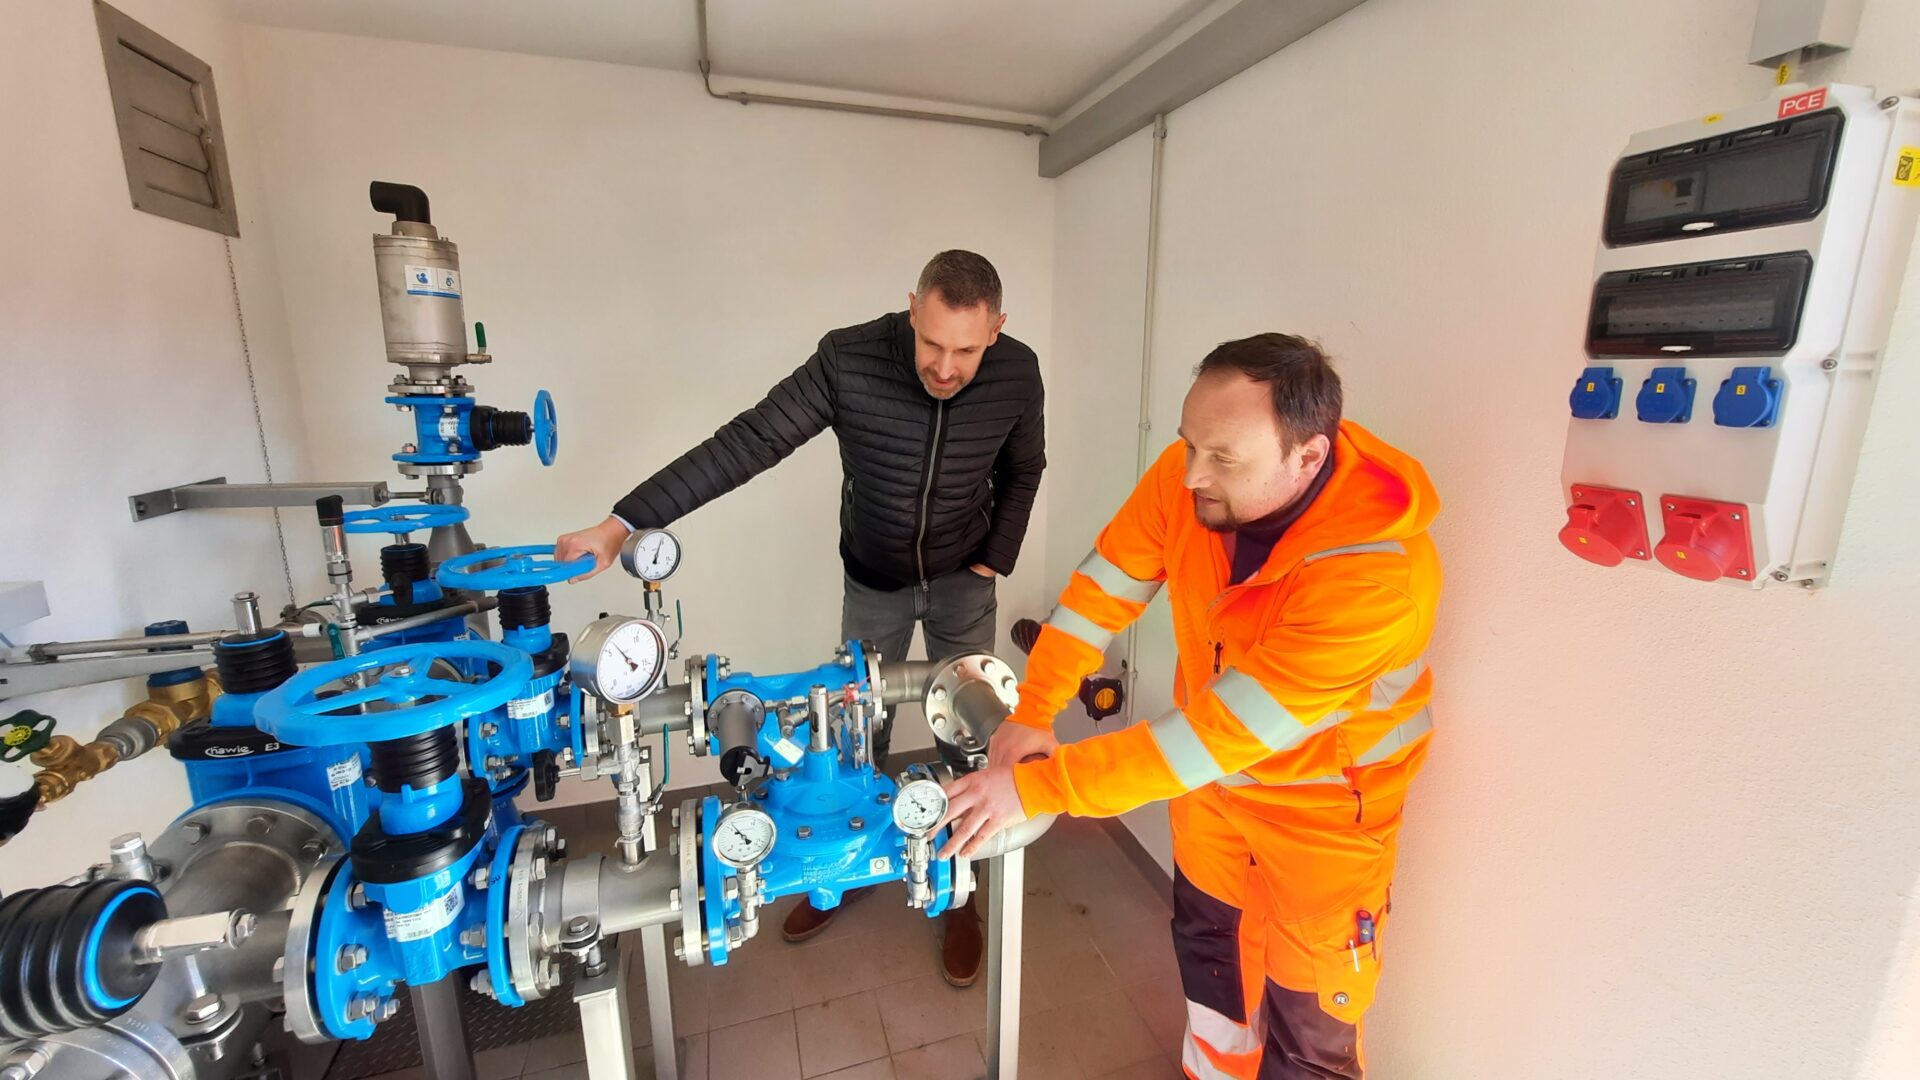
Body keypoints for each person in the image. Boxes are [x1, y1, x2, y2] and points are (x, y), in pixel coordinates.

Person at [940, 333, 1440, 1078]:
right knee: (1213, 967)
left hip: (1322, 820)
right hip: (1209, 798)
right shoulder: (1188, 475)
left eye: (1223, 458)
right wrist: (1033, 709)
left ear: (1306, 457)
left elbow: (1217, 736)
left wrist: (1037, 786)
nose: (1191, 473)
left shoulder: (1375, 578)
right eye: (1188, 442)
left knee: (1311, 1033)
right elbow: (1099, 598)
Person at [555, 250, 1044, 988]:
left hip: (962, 586)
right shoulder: (848, 359)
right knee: (855, 733)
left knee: (966, 738)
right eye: (933, 343)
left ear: (997, 331)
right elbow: (747, 442)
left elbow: (1025, 466)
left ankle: (957, 898)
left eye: (967, 351)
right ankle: (844, 871)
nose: (945, 367)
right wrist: (623, 523)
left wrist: (993, 559)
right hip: (873, 583)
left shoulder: (1018, 371)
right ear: (912, 309)